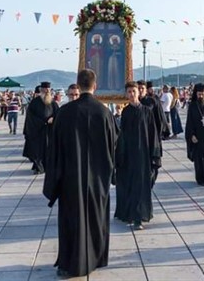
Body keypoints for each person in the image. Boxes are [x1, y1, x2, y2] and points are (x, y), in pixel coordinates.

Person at [43, 69, 117, 278]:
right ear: (95, 85)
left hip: (70, 178)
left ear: (78, 84)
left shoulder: (64, 113)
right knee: (95, 217)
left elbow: (54, 148)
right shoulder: (104, 112)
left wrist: (54, 178)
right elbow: (113, 145)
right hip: (97, 178)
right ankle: (96, 258)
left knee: (71, 220)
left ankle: (69, 263)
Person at [115, 81, 160, 230]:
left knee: (140, 186)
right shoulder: (126, 113)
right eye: (129, 92)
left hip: (143, 155)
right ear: (126, 94)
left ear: (138, 93)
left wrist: (155, 155)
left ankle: (139, 217)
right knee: (129, 185)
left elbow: (153, 134)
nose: (131, 94)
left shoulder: (147, 111)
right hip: (128, 155)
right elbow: (121, 135)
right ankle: (128, 213)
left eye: (133, 91)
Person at [23, 82, 58, 173]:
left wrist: (53, 118)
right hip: (37, 131)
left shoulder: (53, 103)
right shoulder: (34, 102)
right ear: (41, 90)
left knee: (48, 150)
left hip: (49, 131)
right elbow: (30, 117)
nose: (47, 92)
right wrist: (43, 122)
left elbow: (58, 114)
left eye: (48, 90)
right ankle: (38, 167)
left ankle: (46, 167)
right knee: (37, 151)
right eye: (45, 90)